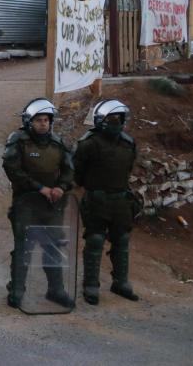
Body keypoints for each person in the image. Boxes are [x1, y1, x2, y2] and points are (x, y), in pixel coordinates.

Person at [2, 98, 75, 309]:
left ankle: (56, 289)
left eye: (46, 120)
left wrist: (61, 187)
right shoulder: (18, 141)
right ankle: (17, 289)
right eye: (38, 120)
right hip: (26, 204)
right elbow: (12, 169)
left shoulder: (57, 142)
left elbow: (70, 169)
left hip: (52, 205)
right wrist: (38, 188)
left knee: (53, 246)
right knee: (24, 246)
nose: (43, 124)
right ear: (29, 121)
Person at [74, 99, 139, 305]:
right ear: (101, 120)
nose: (116, 123)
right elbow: (78, 174)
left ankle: (121, 282)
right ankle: (90, 284)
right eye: (111, 119)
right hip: (96, 199)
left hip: (120, 199)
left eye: (119, 119)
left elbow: (127, 170)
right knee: (94, 241)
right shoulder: (88, 144)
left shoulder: (128, 144)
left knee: (122, 240)